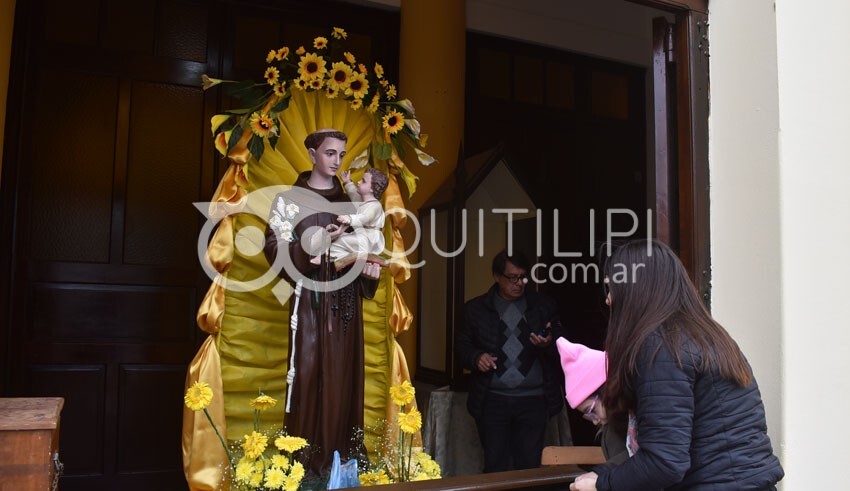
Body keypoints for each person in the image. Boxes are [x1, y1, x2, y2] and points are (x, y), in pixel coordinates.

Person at [570, 240, 784, 491]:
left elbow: (663, 462)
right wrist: (605, 474)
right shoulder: (705, 335)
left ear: (638, 288)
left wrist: (602, 483)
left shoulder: (661, 346)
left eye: (612, 287)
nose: (608, 299)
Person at [263, 129, 381, 476]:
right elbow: (273, 250)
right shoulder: (288, 200)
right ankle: (304, 468)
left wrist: (369, 276)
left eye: (342, 154)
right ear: (312, 154)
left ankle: (341, 467)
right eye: (330, 153)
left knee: (344, 381)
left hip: (345, 307)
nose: (337, 161)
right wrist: (311, 246)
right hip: (309, 304)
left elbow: (366, 243)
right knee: (308, 379)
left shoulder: (350, 201)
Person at [456, 250, 566, 472]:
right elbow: (461, 348)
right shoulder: (476, 309)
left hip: (534, 399)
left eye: (523, 277)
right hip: (492, 400)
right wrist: (477, 358)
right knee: (495, 463)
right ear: (497, 276)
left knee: (530, 464)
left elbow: (565, 345)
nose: (519, 284)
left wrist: (549, 342)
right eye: (512, 277)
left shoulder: (543, 306)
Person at [555, 338, 628, 466]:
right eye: (588, 416)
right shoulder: (610, 431)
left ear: (607, 391)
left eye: (591, 410)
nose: (594, 421)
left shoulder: (641, 416)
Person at [310, 167, 388, 269]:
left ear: (372, 188)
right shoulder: (362, 201)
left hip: (370, 240)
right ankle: (342, 258)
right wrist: (347, 182)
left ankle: (324, 258)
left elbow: (364, 217)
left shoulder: (375, 206)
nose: (359, 182)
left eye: (363, 181)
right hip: (363, 236)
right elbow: (353, 193)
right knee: (340, 238)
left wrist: (349, 219)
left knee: (341, 241)